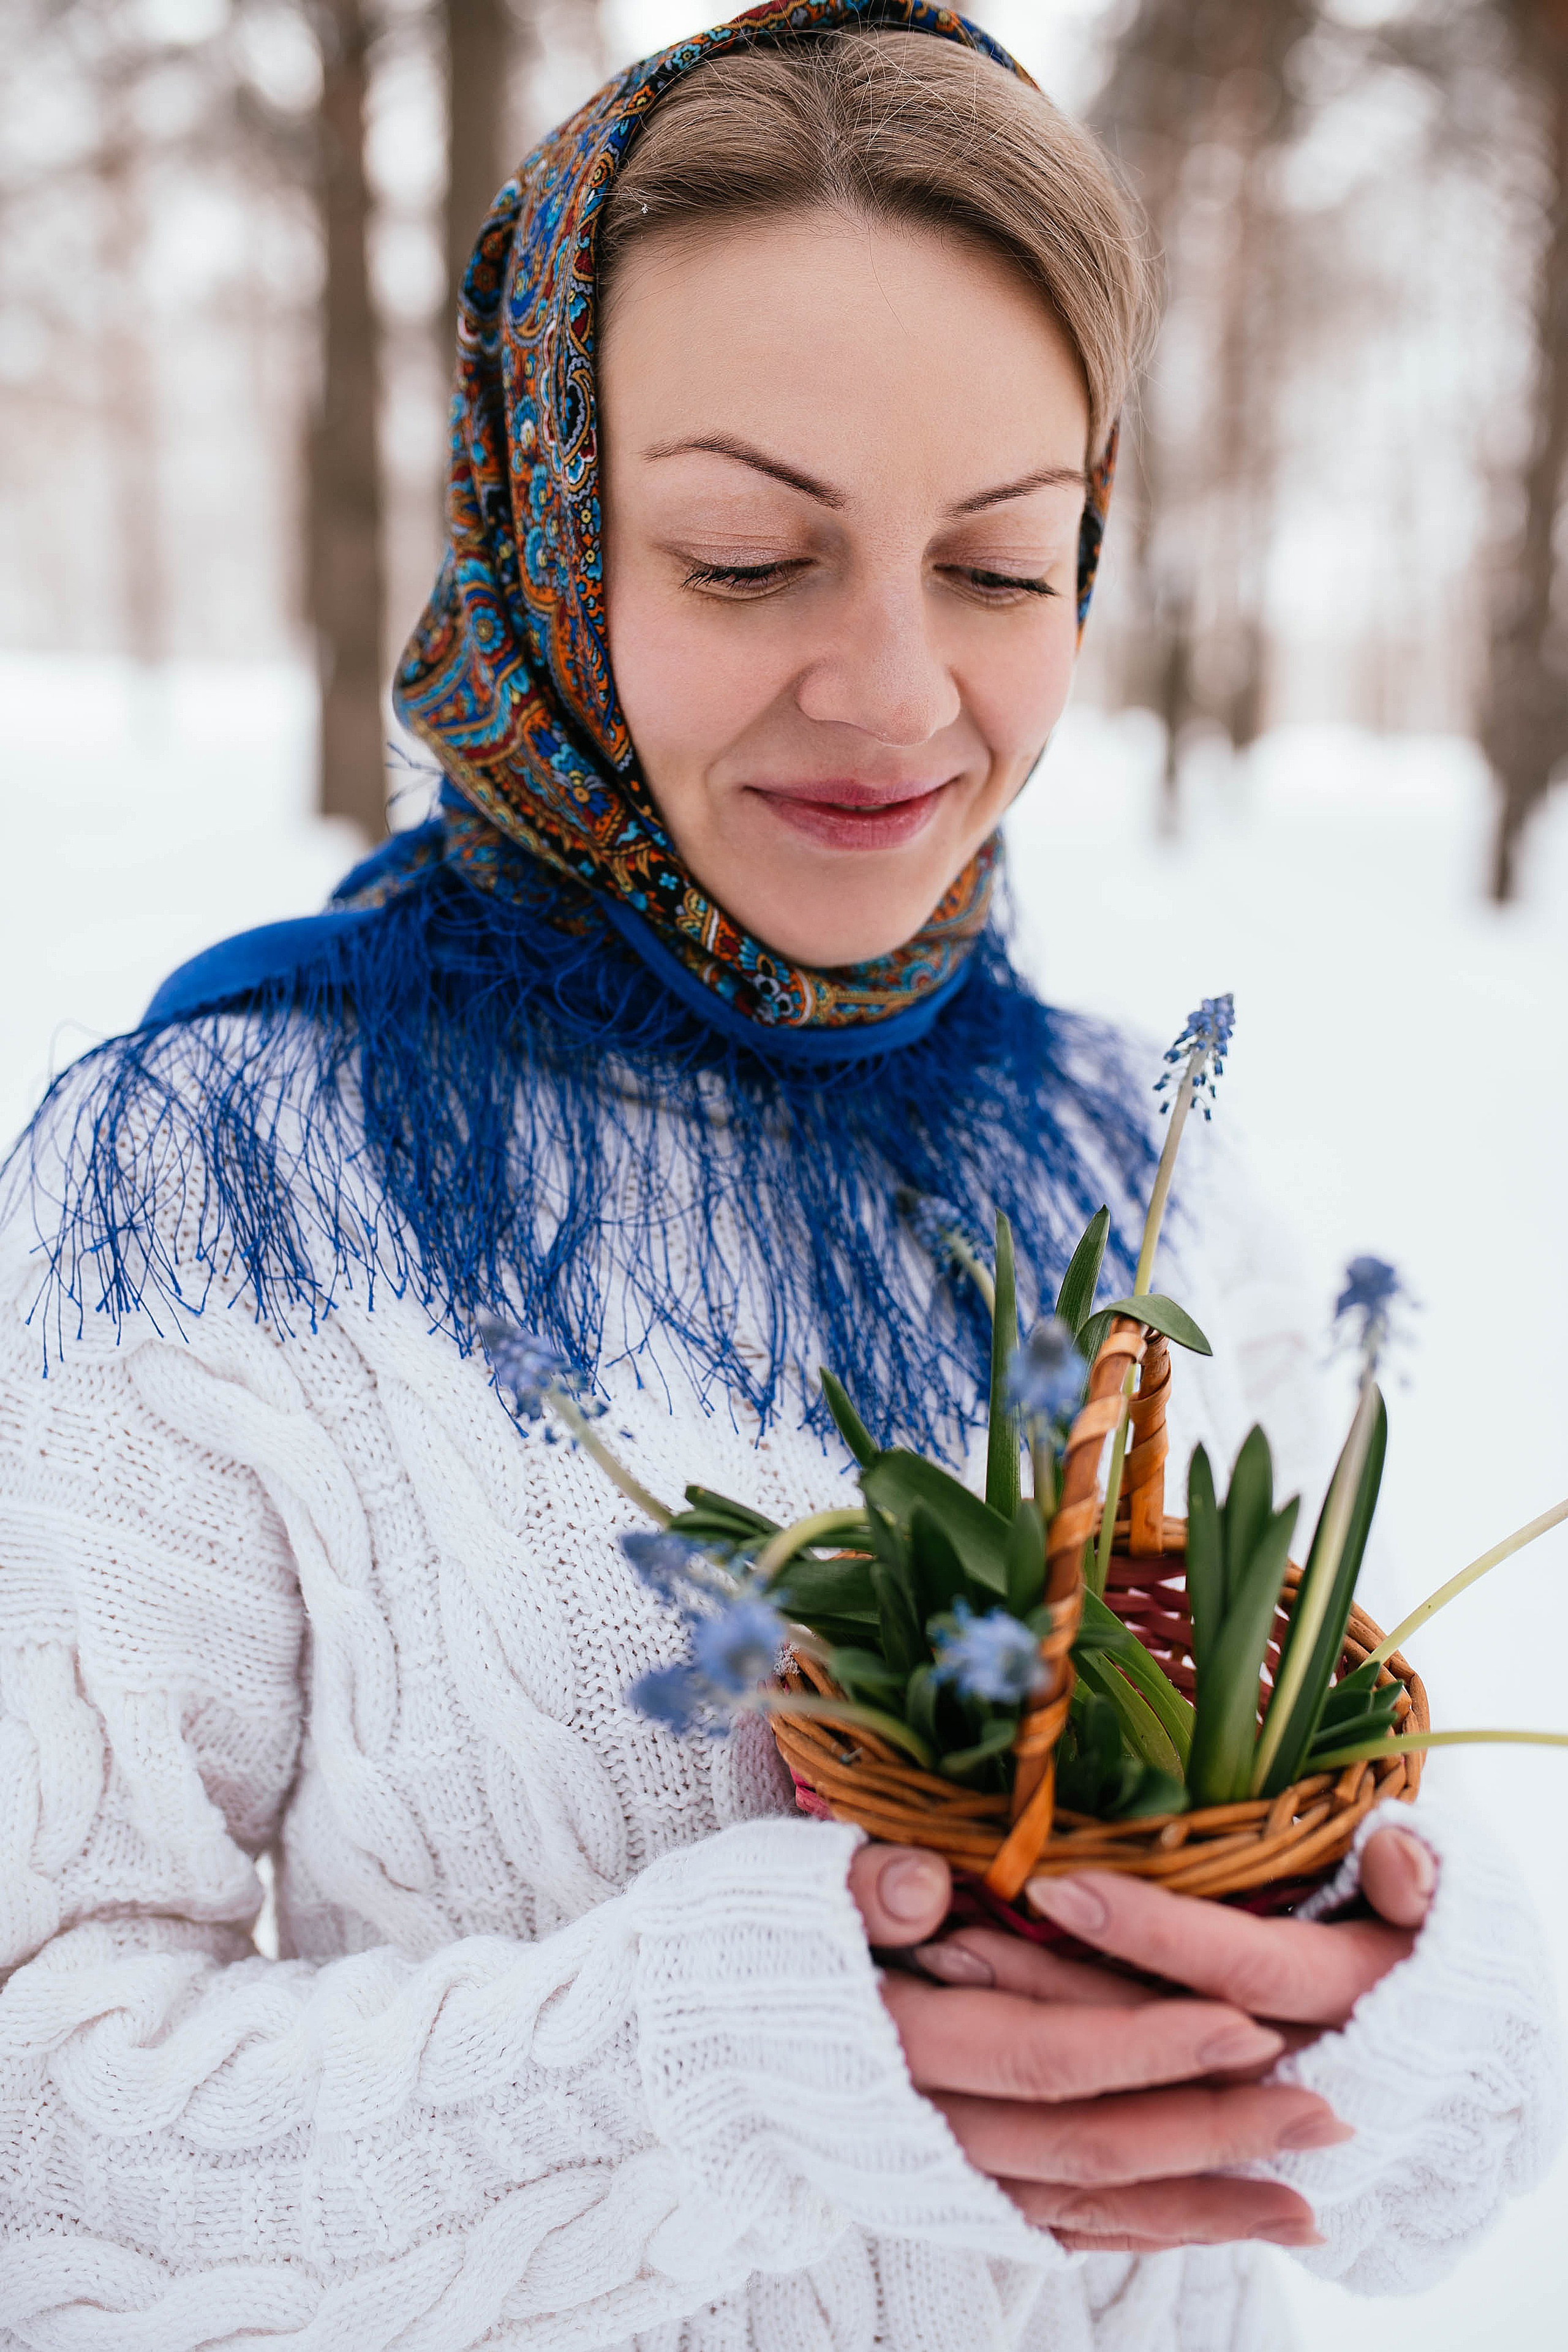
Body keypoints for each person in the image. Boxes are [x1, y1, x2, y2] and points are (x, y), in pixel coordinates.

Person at [0, 8, 1558, 2350]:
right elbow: (41, 2129)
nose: (900, 694)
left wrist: (1408, 2025)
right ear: (546, 523)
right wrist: (698, 2072)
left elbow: (1330, 1874)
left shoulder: (1133, 1165)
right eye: (747, 559)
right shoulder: (219, 1189)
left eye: (1008, 567)